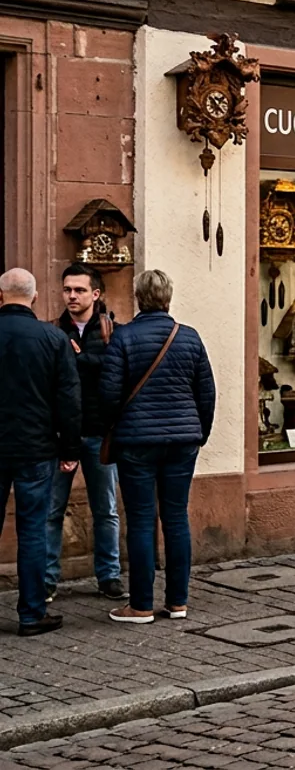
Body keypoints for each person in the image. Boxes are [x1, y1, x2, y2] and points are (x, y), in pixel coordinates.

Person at [102, 270, 215, 624]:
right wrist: (199, 433)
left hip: (137, 441)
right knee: (177, 517)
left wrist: (114, 428)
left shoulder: (123, 338)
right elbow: (206, 394)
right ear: (168, 297)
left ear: (138, 298)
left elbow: (108, 395)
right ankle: (178, 602)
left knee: (140, 520)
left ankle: (141, 604)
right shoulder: (190, 338)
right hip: (183, 441)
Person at [0, 268, 81, 636]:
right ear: (34, 298)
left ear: (1, 296)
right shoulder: (52, 338)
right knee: (32, 529)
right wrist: (70, 448)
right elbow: (69, 400)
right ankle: (32, 613)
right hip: (36, 447)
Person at [45, 263, 124, 602]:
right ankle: (47, 579)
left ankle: (109, 576)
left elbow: (115, 374)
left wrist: (80, 360)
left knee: (105, 509)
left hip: (98, 432)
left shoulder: (111, 332)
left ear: (95, 294)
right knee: (51, 510)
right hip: (59, 435)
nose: (72, 296)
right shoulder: (51, 332)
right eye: (67, 290)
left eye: (79, 290)